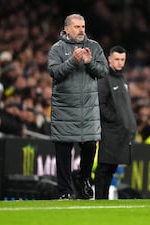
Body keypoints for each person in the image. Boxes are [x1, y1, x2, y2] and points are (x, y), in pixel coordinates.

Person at [47, 14, 109, 200]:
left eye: (83, 26)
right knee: (64, 151)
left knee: (90, 146)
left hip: (87, 110)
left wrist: (90, 63)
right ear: (66, 29)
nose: (81, 30)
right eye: (77, 27)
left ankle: (83, 179)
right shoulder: (56, 49)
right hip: (64, 109)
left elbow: (104, 71)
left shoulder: (94, 46)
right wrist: (73, 61)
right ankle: (65, 191)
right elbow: (55, 73)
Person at [95, 46, 136, 199]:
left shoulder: (123, 79)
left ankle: (104, 199)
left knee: (112, 167)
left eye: (122, 60)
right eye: (117, 59)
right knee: (104, 166)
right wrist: (115, 119)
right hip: (110, 130)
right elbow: (100, 104)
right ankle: (99, 198)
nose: (120, 63)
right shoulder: (104, 78)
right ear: (109, 59)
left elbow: (125, 106)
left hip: (121, 132)